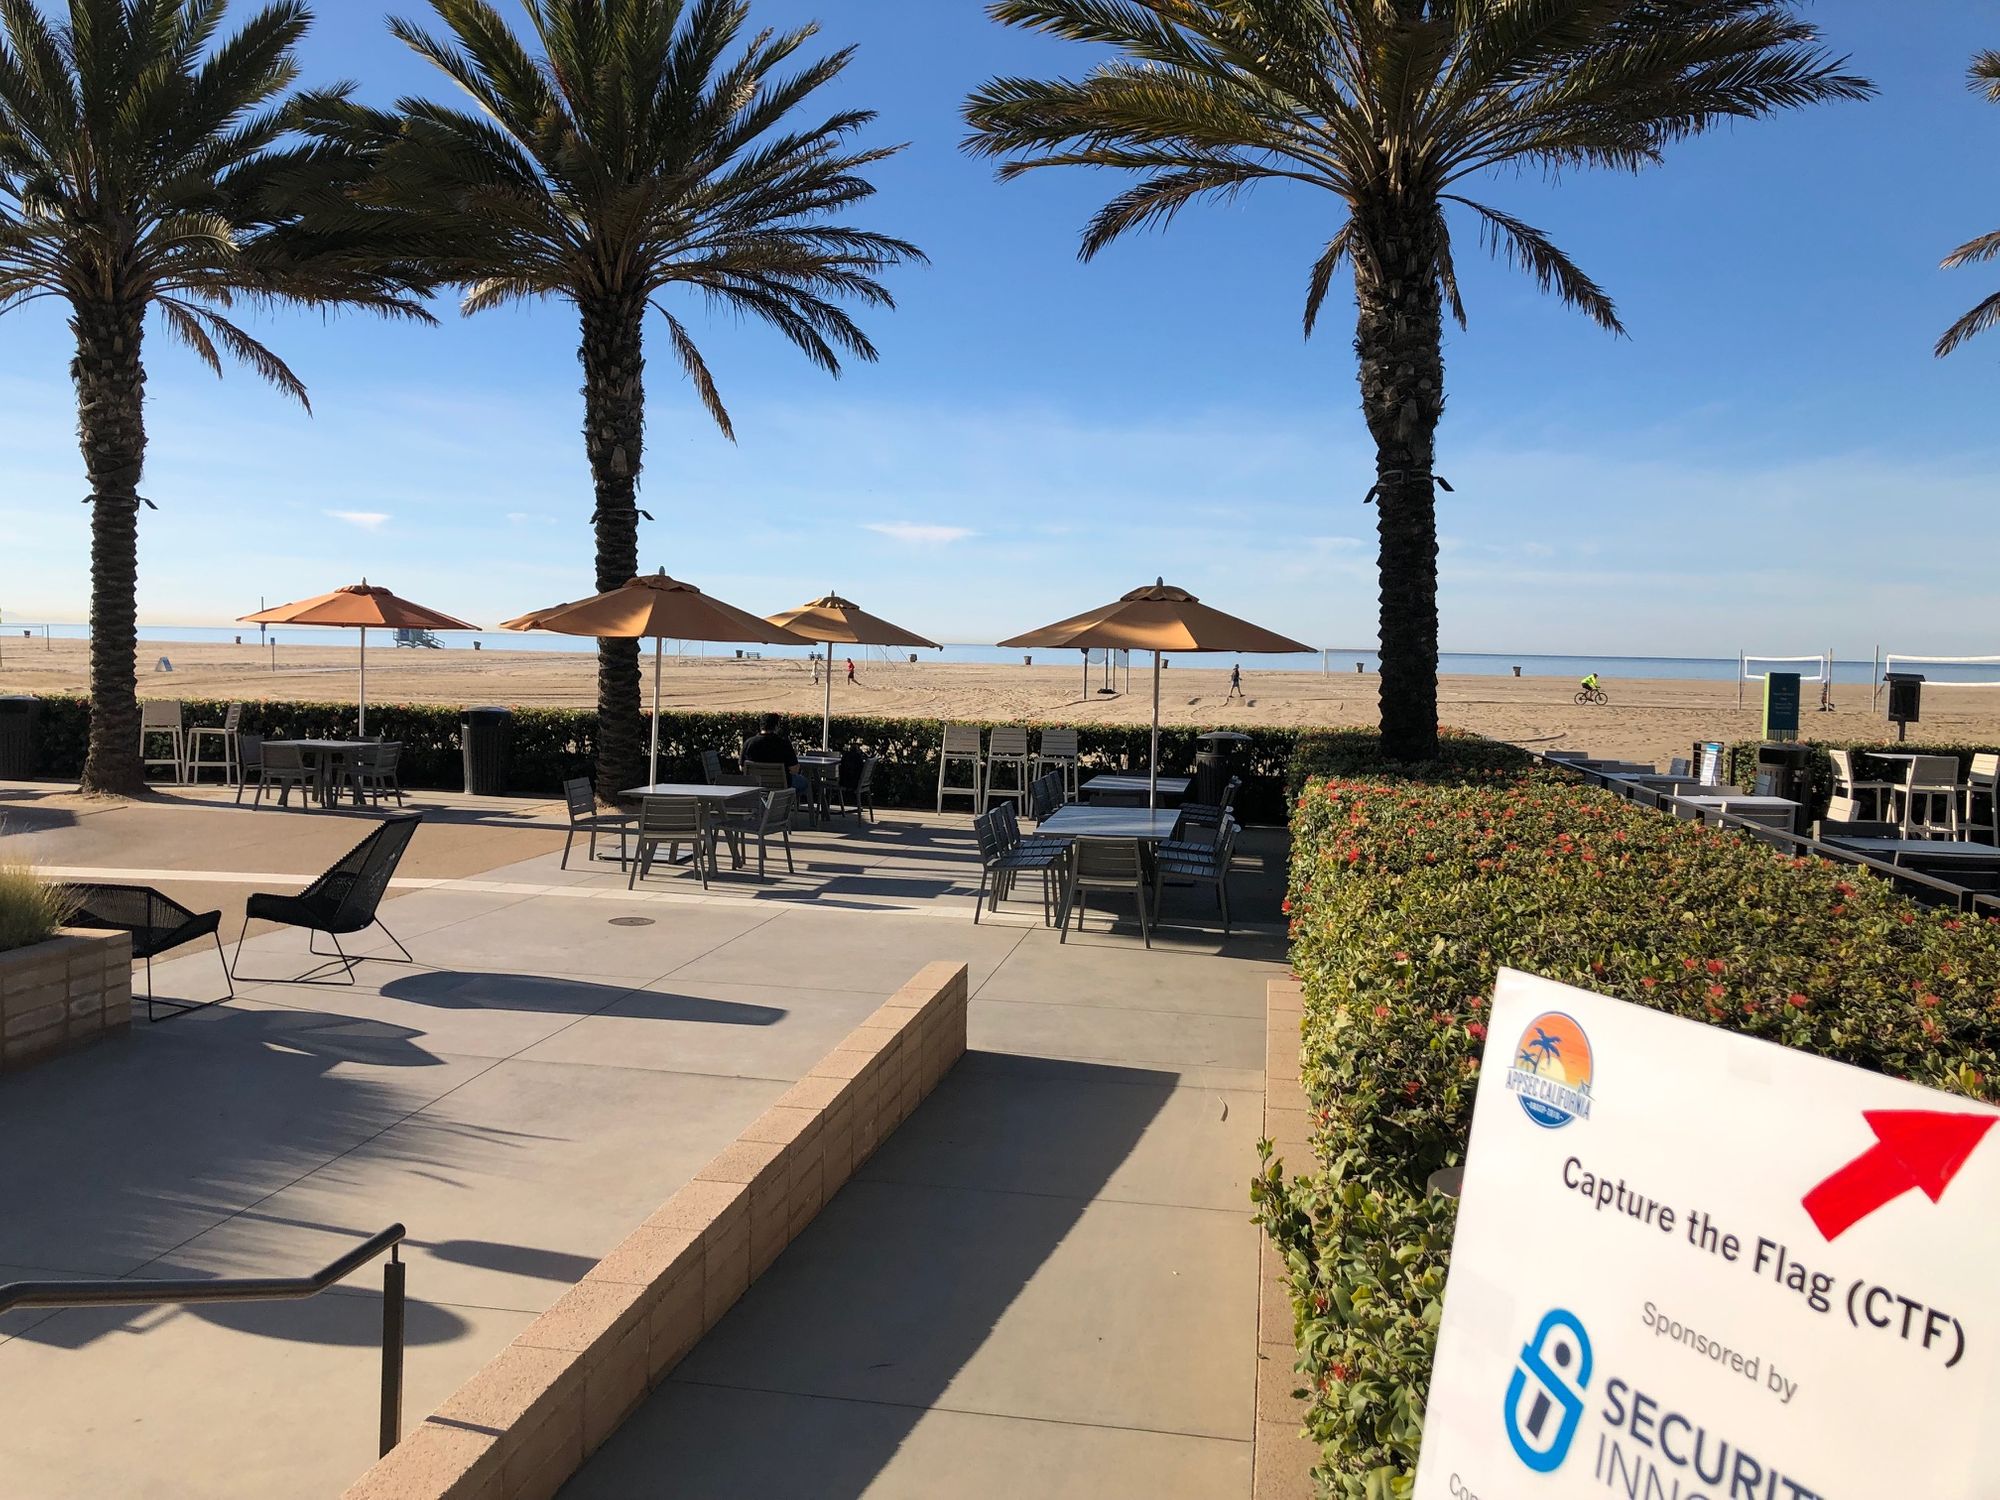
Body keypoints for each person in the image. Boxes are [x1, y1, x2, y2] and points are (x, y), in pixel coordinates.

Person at [743, 713, 808, 797]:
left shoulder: (749, 743)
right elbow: (794, 769)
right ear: (776, 726)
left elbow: (742, 767)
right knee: (804, 783)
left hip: (755, 784)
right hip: (782, 785)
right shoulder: (783, 744)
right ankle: (786, 805)